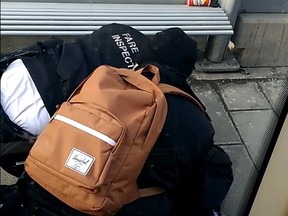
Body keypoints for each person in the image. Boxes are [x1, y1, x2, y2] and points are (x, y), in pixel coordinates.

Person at [0, 25, 233, 216]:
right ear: (185, 73)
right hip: (96, 202)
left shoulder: (101, 77)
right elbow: (195, 175)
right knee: (213, 169)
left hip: (38, 185)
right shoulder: (191, 117)